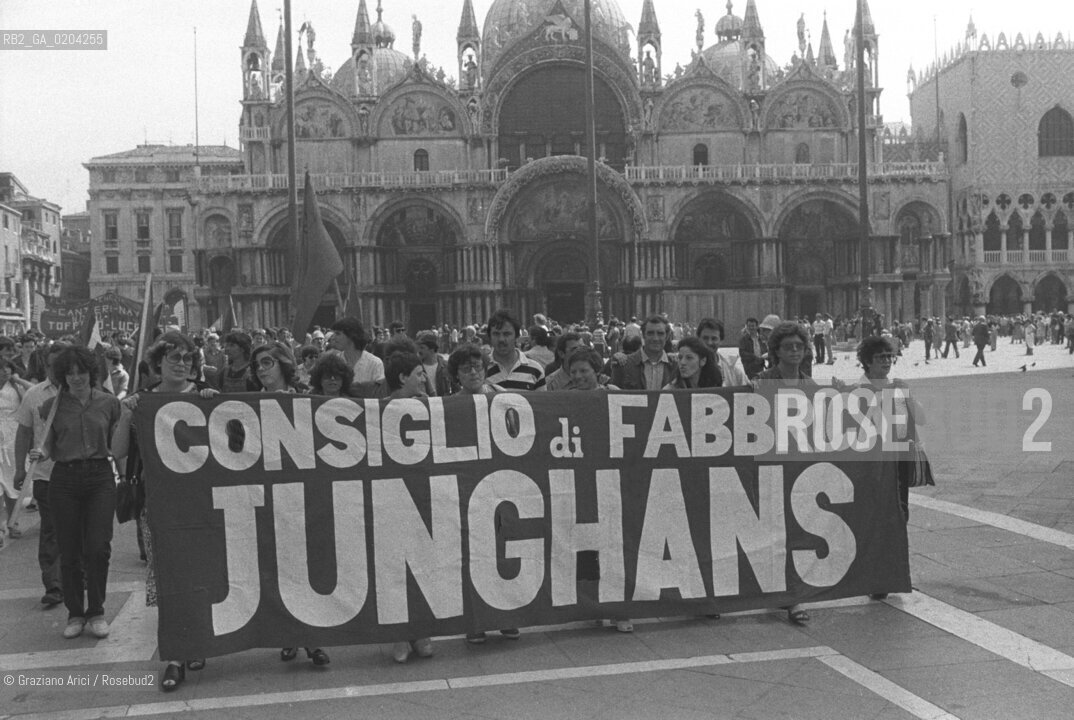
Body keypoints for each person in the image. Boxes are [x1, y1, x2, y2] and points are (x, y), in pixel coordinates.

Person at [111, 331, 219, 690]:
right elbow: (118, 451)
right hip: (158, 504)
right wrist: (126, 415)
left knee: (202, 572)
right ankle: (175, 655)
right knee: (169, 576)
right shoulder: (141, 401)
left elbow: (233, 442)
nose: (182, 363)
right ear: (158, 363)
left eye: (188, 358)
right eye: (174, 357)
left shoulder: (205, 396)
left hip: (202, 502)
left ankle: (198, 641)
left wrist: (214, 407)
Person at [246, 341, 330, 667]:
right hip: (265, 494)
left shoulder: (307, 394)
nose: (262, 369)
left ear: (283, 363)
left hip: (302, 493)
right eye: (257, 366)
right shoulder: (246, 403)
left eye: (267, 362)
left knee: (304, 568)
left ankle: (311, 638)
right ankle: (287, 636)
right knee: (275, 568)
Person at [35, 346, 122, 640]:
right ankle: (75, 612)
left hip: (99, 477)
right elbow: (47, 445)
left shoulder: (109, 403)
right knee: (69, 550)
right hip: (64, 481)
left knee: (98, 547)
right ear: (62, 376)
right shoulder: (51, 407)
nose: (75, 378)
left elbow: (118, 443)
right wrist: (40, 452)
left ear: (90, 372)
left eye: (80, 372)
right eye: (69, 373)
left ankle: (96, 610)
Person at [752, 322, 816, 626]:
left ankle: (792, 596)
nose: (794, 351)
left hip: (799, 469)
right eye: (788, 346)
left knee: (792, 533)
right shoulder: (761, 381)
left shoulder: (809, 383)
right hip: (767, 467)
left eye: (799, 346)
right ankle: (781, 593)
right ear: (775, 350)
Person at [383, 345, 437, 663]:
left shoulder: (429, 405)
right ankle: (399, 634)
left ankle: (421, 631)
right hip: (391, 494)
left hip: (424, 492)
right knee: (394, 567)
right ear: (402, 377)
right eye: (418, 374)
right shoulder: (379, 409)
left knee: (423, 565)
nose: (423, 378)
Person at [13, 342, 68, 605]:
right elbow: (24, 432)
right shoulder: (34, 395)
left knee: (78, 530)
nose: (56, 371)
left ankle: (77, 577)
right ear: (45, 365)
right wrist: (19, 468)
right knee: (51, 530)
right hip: (45, 474)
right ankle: (54, 585)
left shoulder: (82, 391)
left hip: (79, 474)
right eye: (51, 365)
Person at [853, 335, 926, 529]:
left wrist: (907, 394)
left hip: (899, 457)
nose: (887, 361)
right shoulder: (856, 390)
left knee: (901, 509)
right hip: (871, 462)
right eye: (881, 357)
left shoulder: (898, 386)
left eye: (889, 357)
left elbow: (922, 419)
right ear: (868, 361)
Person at [0, 358, 27, 544]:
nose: (4, 373)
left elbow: (34, 394)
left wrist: (17, 380)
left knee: (12, 484)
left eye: (7, 370)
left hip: (11, 440)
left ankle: (13, 520)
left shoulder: (16, 388)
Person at [485, 310, 545, 391]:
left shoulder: (536, 369)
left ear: (516, 336)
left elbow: (541, 402)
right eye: (496, 334)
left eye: (507, 334)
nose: (501, 339)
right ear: (490, 337)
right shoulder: (481, 370)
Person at [610, 315, 674, 390]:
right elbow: (612, 398)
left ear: (666, 336)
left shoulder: (675, 367)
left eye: (660, 333)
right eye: (650, 333)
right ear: (643, 335)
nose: (655, 338)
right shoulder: (624, 364)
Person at [330, 317, 385, 387]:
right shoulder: (333, 363)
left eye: (338, 334)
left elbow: (378, 393)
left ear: (351, 335)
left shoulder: (375, 363)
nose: (333, 338)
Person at [696, 318, 748, 386]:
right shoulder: (688, 368)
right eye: (705, 338)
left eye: (714, 339)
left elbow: (749, 390)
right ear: (698, 339)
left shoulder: (733, 372)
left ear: (721, 341)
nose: (709, 343)